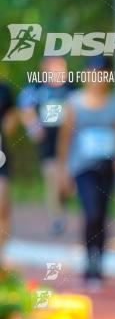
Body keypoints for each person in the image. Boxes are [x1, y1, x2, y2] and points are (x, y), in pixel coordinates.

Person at [57, 56, 115, 288]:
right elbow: (64, 139)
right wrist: (64, 171)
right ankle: (89, 259)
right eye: (93, 73)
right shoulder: (74, 102)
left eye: (102, 73)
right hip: (82, 167)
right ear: (86, 75)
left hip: (106, 166)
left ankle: (99, 262)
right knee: (91, 212)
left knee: (102, 215)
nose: (98, 78)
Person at [18, 56, 74, 235]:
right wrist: (34, 127)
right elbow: (25, 109)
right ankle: (57, 218)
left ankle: (62, 202)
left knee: (66, 184)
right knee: (53, 178)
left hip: (70, 142)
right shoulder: (35, 89)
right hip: (47, 141)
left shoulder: (71, 90)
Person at [0, 80, 18, 273]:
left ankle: (1, 255)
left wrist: (10, 120)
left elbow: (11, 125)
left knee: (2, 206)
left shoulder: (4, 89)